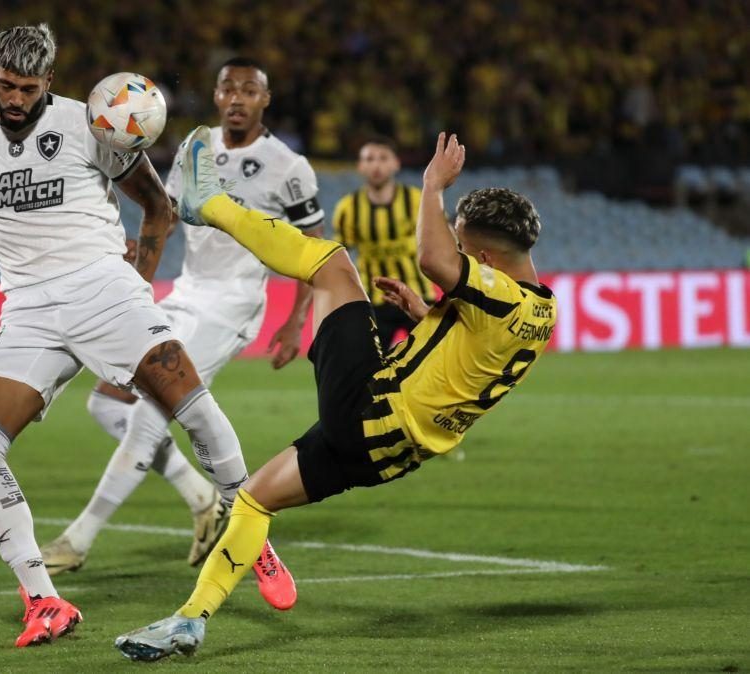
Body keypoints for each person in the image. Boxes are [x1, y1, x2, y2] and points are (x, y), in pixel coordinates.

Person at [114, 127, 557, 661]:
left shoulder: (501, 295)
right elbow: (474, 352)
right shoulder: (542, 311)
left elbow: (432, 259)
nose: (458, 251)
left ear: (483, 254)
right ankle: (189, 621)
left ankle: (209, 203)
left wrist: (433, 187)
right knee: (254, 498)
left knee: (331, 265)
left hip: (372, 407)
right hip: (388, 453)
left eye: (464, 246)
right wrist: (426, 315)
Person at [0, 25, 284, 648]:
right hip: (27, 311)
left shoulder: (93, 123)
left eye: (28, 87)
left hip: (105, 291)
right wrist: (20, 274)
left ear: (49, 80)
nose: (15, 98)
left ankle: (252, 534)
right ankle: (44, 601)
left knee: (194, 409)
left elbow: (157, 208)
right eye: (5, 83)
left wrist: (136, 285)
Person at [41, 56, 320, 611]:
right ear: (216, 96)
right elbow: (165, 214)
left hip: (235, 303)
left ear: (265, 101)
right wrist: (135, 263)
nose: (237, 97)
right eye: (228, 88)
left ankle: (77, 540)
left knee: (148, 414)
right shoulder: (197, 149)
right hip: (190, 293)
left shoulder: (288, 166)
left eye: (249, 90)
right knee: (106, 404)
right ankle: (203, 497)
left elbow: (312, 245)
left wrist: (296, 320)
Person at [332, 136, 436, 349]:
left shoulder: (416, 201)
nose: (376, 165)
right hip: (372, 302)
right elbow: (337, 258)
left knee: (434, 366)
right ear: (360, 166)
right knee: (369, 371)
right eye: (369, 159)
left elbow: (442, 244)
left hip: (418, 297)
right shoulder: (348, 208)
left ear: (395, 163)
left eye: (383, 158)